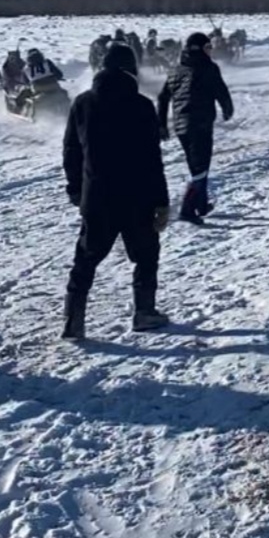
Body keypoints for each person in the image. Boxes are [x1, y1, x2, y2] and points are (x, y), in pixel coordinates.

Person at [62, 44, 170, 339]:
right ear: (131, 70)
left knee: (85, 260)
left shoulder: (82, 104)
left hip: (97, 198)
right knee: (146, 256)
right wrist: (162, 202)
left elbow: (71, 151)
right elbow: (152, 159)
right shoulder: (142, 105)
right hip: (138, 200)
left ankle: (73, 321)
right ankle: (144, 313)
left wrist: (76, 190)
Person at [157, 32, 234, 225]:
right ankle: (188, 210)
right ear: (198, 49)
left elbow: (162, 97)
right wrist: (227, 108)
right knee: (200, 168)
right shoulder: (208, 67)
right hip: (200, 123)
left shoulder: (175, 70)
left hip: (181, 126)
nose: (210, 52)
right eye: (208, 48)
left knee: (196, 165)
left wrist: (162, 124)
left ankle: (201, 205)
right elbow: (220, 90)